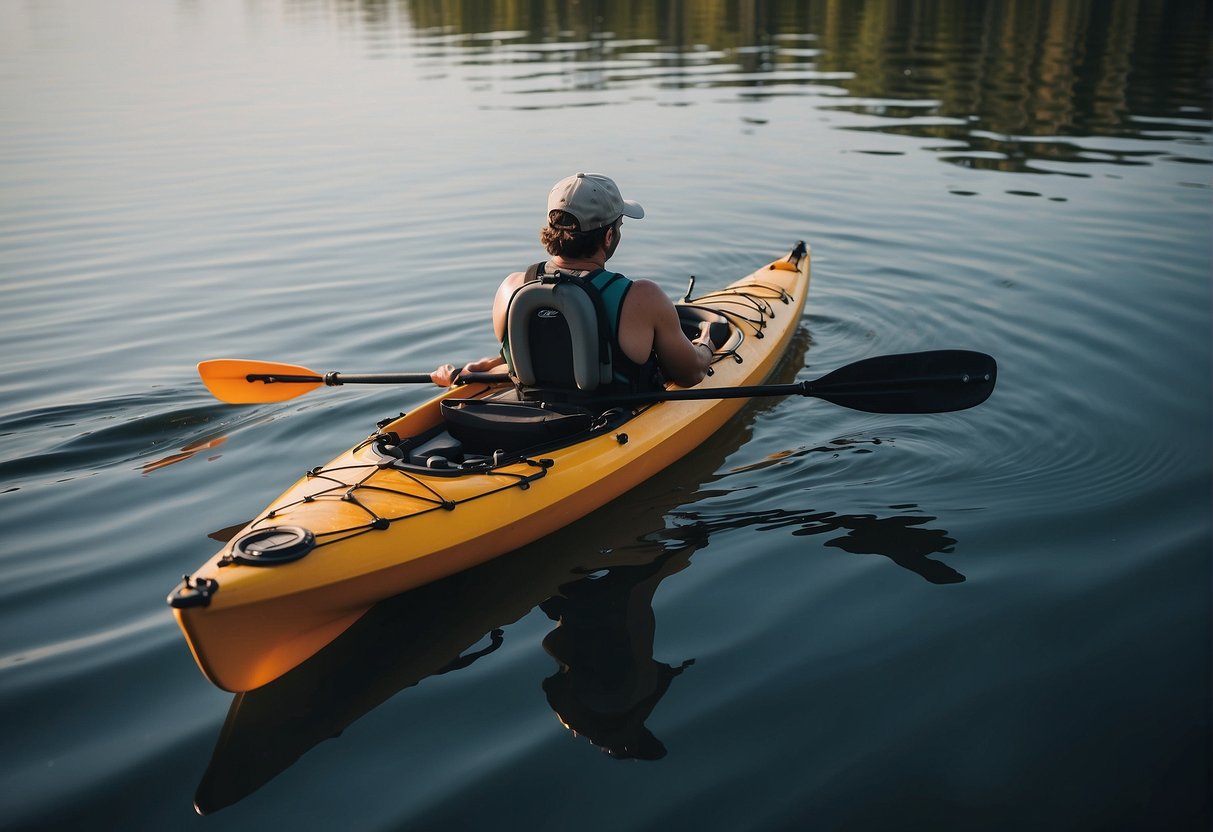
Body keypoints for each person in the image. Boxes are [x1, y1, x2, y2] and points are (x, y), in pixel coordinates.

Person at [431, 172, 716, 392]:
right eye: (619, 226)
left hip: (533, 420)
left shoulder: (511, 288)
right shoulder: (642, 297)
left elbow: (541, 355)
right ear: (608, 237)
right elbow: (690, 374)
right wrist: (705, 343)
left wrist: (479, 369)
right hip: (610, 424)